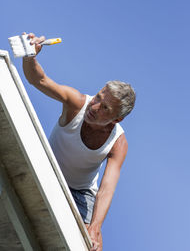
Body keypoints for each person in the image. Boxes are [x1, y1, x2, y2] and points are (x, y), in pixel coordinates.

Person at [22, 33, 136, 251]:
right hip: (47, 165)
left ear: (117, 119)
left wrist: (95, 227)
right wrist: (30, 57)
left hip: (80, 192)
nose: (94, 108)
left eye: (105, 109)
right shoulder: (76, 103)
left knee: (91, 244)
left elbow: (106, 188)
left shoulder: (118, 143)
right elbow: (40, 80)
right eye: (98, 98)